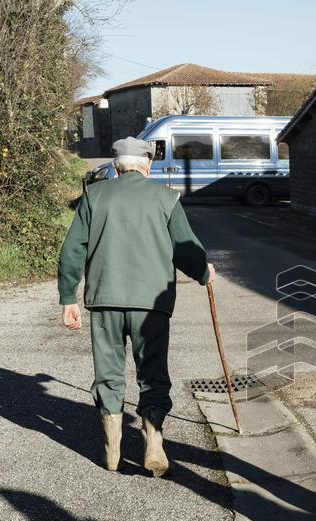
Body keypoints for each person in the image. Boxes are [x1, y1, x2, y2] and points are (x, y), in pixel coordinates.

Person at [57, 136, 214, 476]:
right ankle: (153, 442)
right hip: (151, 304)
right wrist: (204, 272)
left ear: (116, 168)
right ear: (148, 165)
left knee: (108, 372)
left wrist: (68, 297)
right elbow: (186, 249)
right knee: (152, 372)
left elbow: (72, 250)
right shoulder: (166, 198)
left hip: (105, 300)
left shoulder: (94, 196)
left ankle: (112, 450)